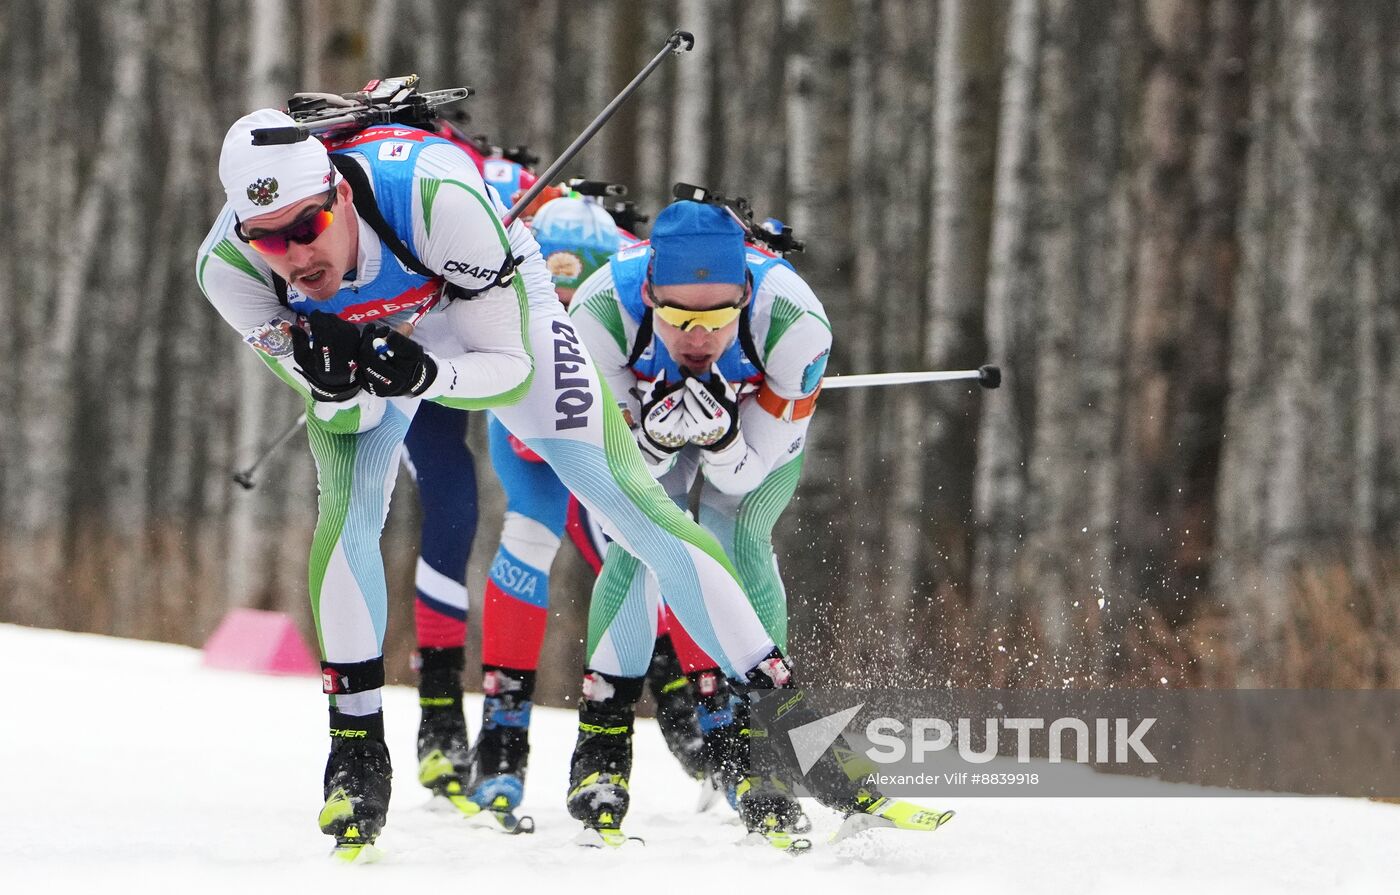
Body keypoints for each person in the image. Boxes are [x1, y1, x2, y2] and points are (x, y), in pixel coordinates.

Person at [196, 109, 793, 855]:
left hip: (480, 316)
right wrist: (335, 380)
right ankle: (355, 754)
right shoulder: (229, 268)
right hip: (383, 339)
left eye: (308, 225)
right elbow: (340, 416)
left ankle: (775, 706)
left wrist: (427, 372)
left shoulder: (434, 196)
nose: (295, 254)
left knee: (630, 501)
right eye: (269, 237)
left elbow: (509, 368)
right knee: (347, 506)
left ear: (339, 196)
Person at [565, 198, 955, 846]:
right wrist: (657, 443)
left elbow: (743, 475)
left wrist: (717, 441)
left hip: (747, 435)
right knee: (636, 545)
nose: (699, 338)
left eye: (718, 319)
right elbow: (617, 466)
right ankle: (601, 751)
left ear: (745, 293)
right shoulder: (597, 314)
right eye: (680, 318)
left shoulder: (795, 324)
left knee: (739, 535)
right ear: (648, 294)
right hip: (645, 425)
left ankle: (758, 746)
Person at [470, 194, 717, 821]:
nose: (564, 313)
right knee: (528, 535)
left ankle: (699, 715)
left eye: (572, 301)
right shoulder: (511, 267)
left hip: (604, 424)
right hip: (531, 416)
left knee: (641, 544)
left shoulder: (628, 283)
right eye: (551, 296)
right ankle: (502, 741)